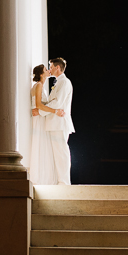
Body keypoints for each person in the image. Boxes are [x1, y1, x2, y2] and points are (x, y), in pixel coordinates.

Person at [36, 57, 74, 185]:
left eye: (51, 67)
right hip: (54, 123)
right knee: (56, 154)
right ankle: (59, 181)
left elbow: (57, 103)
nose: (50, 70)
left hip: (59, 123)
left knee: (61, 153)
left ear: (58, 67)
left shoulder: (64, 82)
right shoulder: (59, 82)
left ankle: (64, 182)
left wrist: (40, 111)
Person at [28, 64, 60, 185]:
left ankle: (44, 175)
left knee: (43, 145)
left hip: (40, 117)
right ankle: (40, 176)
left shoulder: (40, 86)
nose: (48, 71)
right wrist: (55, 111)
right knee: (41, 144)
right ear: (41, 74)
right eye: (46, 70)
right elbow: (38, 105)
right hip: (39, 119)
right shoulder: (39, 85)